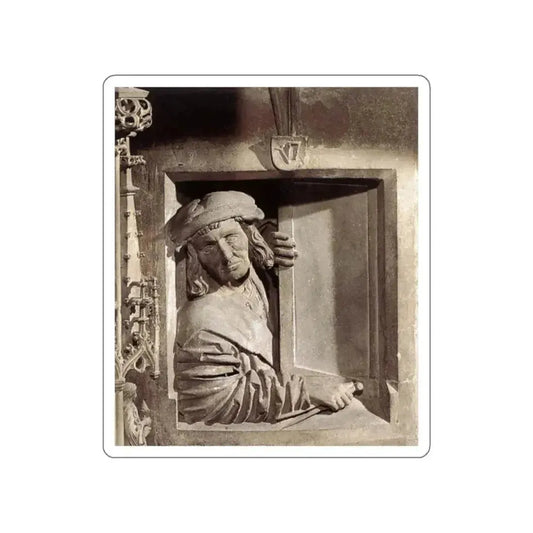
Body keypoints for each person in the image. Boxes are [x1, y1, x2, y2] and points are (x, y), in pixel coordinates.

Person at [170, 191, 355, 424]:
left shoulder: (255, 279)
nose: (226, 255)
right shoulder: (202, 320)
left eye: (231, 237)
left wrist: (269, 241)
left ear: (249, 236)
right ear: (196, 258)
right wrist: (305, 391)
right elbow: (210, 403)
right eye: (209, 247)